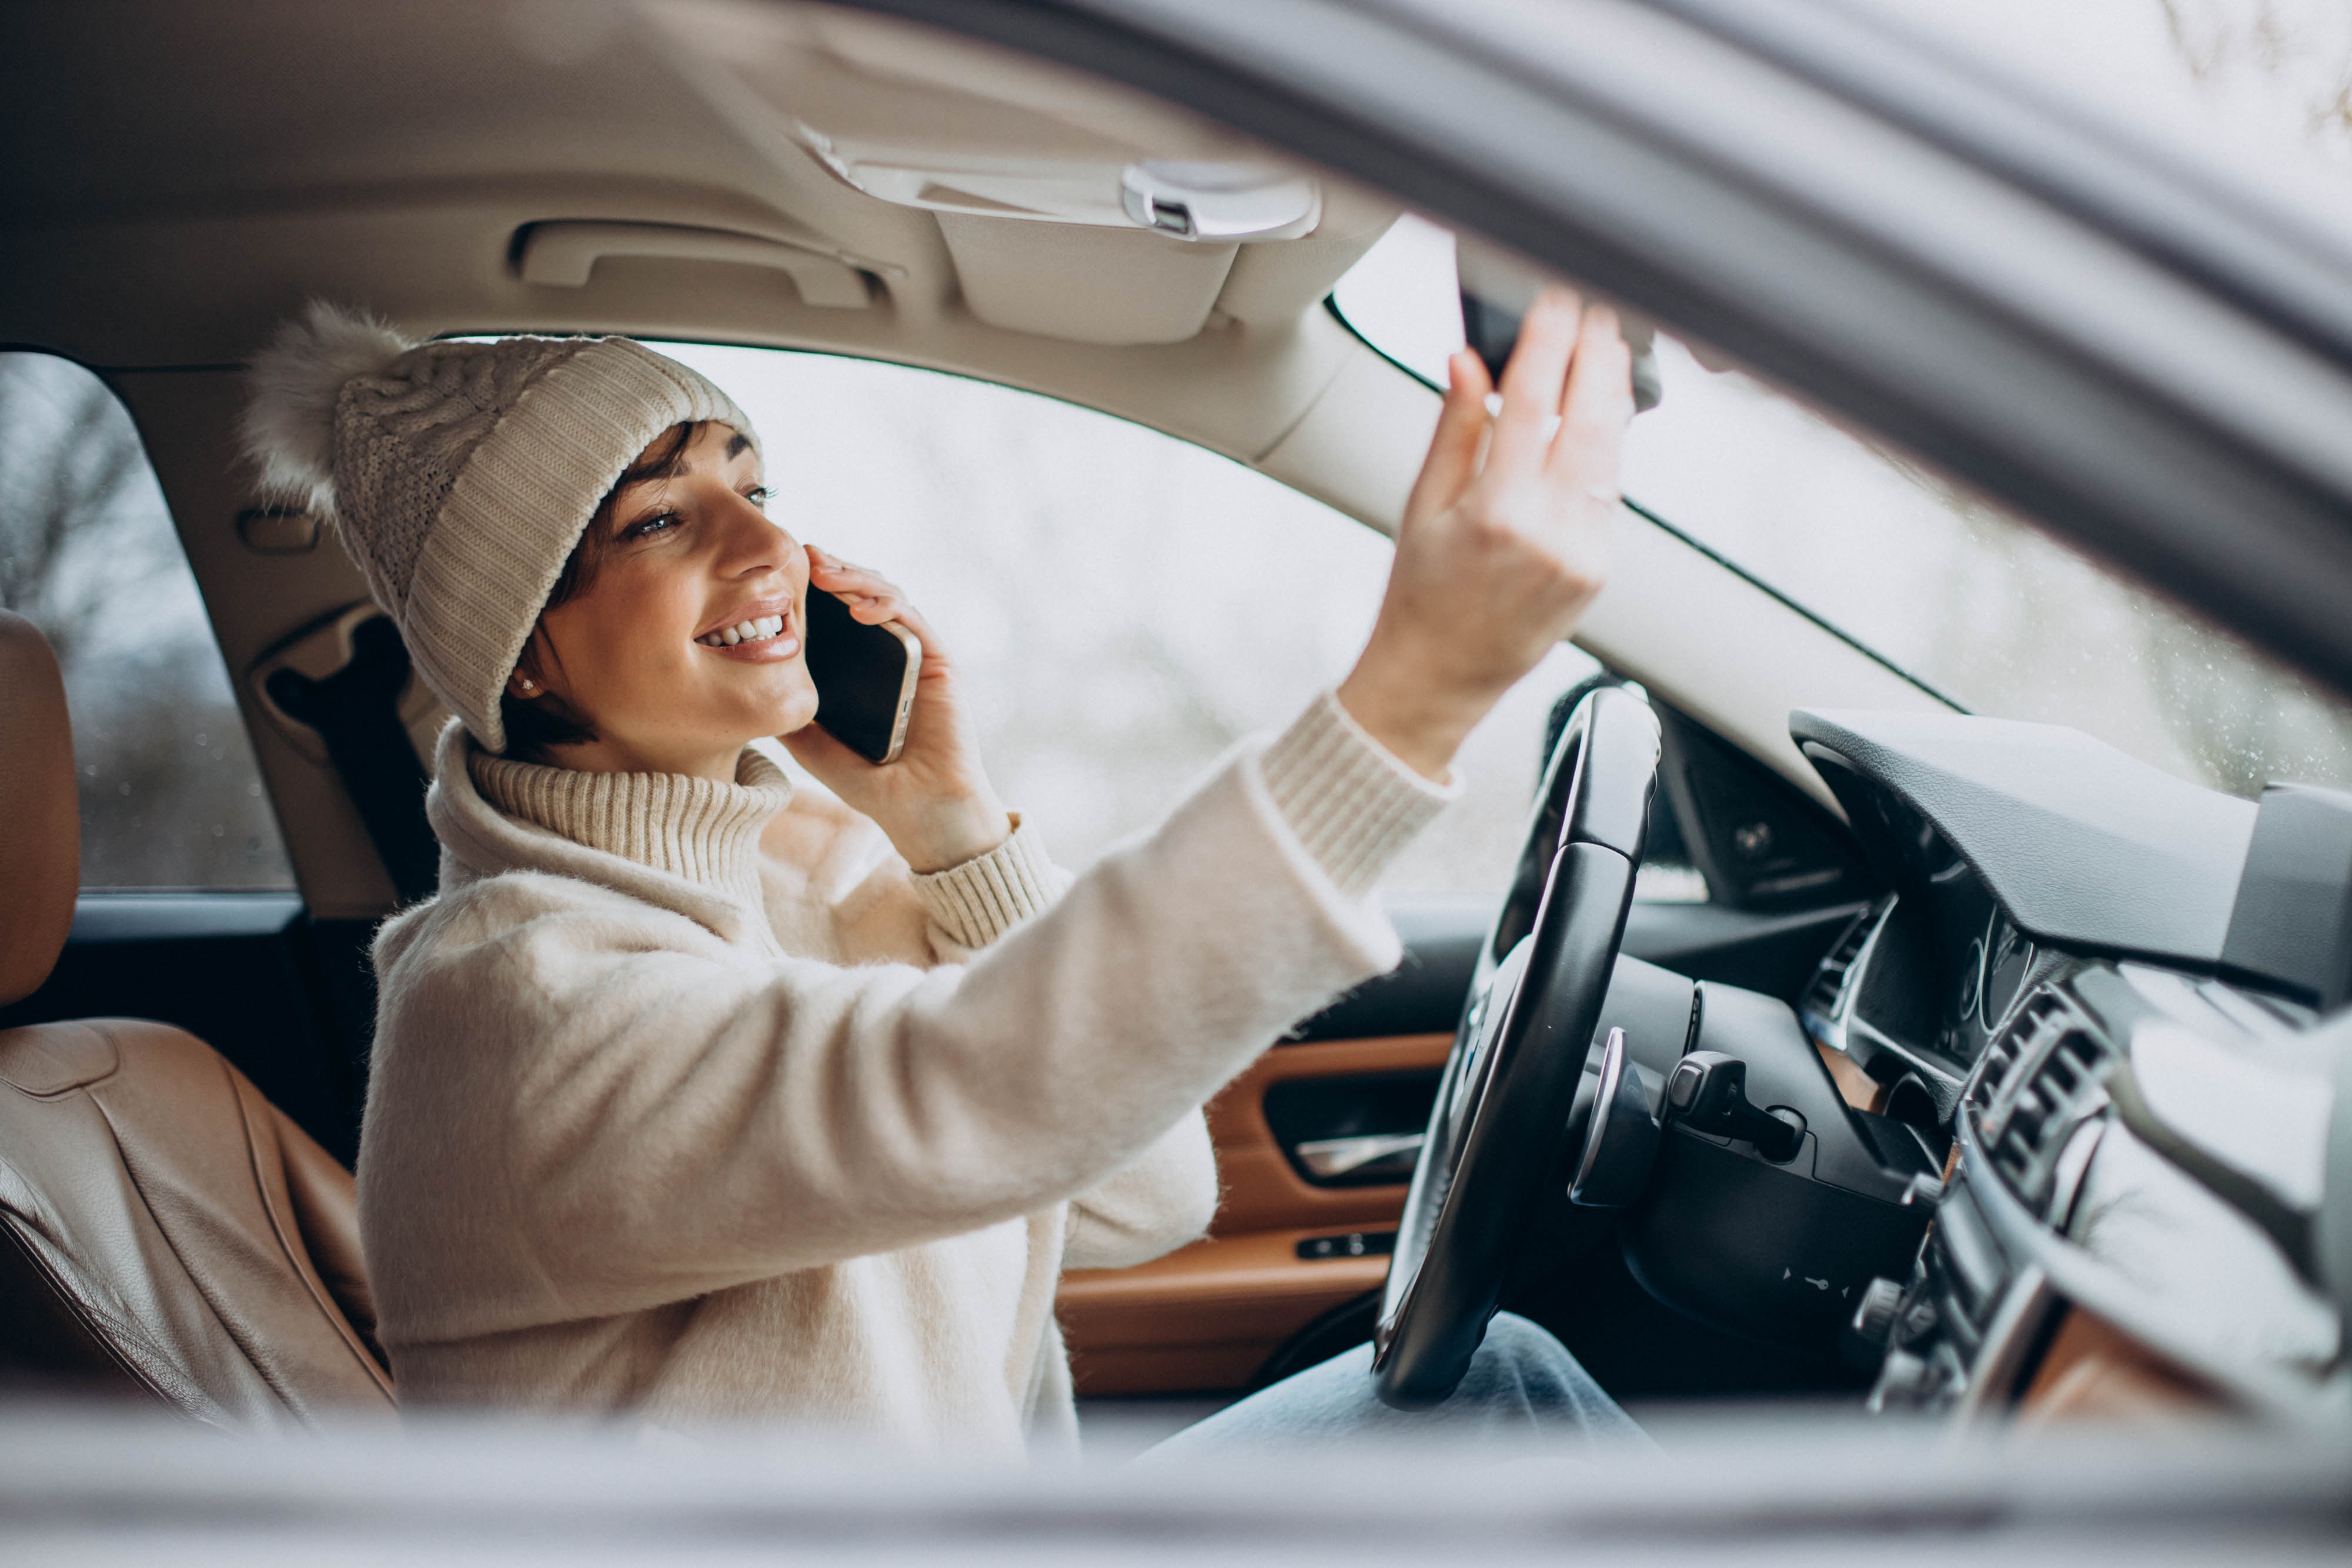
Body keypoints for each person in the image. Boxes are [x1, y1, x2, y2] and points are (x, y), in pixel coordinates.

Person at [241, 286, 1641, 1458]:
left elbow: (1140, 1197)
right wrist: (1409, 702)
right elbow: (979, 1081)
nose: (768, 544)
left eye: (753, 483)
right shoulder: (510, 1001)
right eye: (660, 519)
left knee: (1498, 1382)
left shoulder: (805, 874)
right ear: (521, 652)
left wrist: (953, 821)